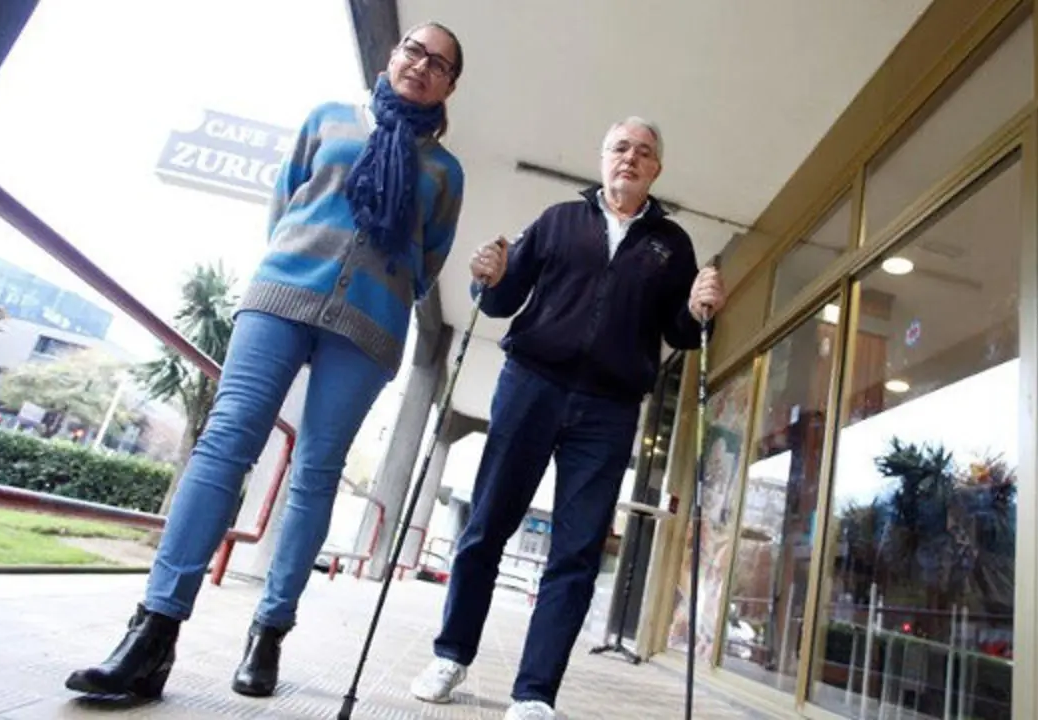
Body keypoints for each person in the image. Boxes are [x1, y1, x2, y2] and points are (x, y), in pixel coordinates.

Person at [64, 22, 466, 701]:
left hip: (367, 329)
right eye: (412, 51)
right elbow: (286, 203)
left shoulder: (445, 172)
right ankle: (152, 632)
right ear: (394, 57)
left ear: (451, 85)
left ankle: (270, 632)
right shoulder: (330, 117)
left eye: (440, 64)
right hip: (282, 297)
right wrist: (305, 259)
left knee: (316, 474)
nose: (421, 66)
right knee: (225, 446)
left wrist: (380, 287)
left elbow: (429, 264)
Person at [410, 117, 726, 720]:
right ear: (602, 158)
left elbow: (681, 334)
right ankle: (451, 653)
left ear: (657, 169)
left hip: (608, 409)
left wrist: (699, 308)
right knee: (486, 526)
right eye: (619, 148)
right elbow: (503, 300)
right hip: (532, 384)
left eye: (643, 152)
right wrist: (488, 278)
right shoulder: (559, 219)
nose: (630, 159)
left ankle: (534, 694)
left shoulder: (672, 244)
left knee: (576, 551)